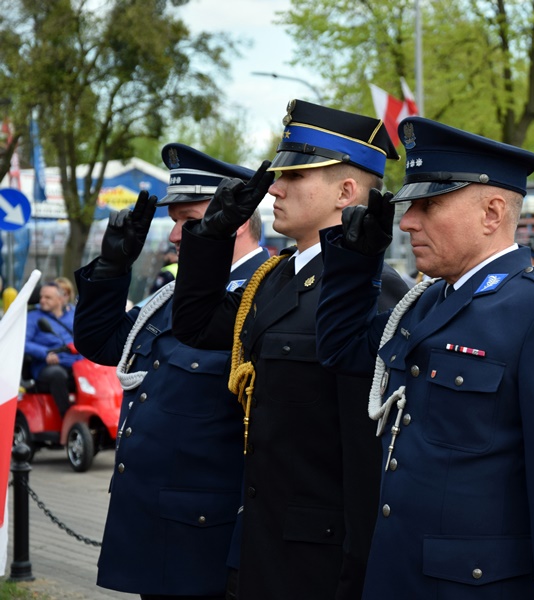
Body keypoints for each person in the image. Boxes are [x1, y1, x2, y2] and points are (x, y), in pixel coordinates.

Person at [171, 100, 409, 600]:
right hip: (259, 538)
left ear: (347, 192)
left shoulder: (376, 291)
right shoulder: (273, 278)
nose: (274, 188)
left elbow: (366, 454)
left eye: (294, 176)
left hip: (319, 558)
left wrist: (356, 572)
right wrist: (211, 235)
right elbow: (194, 325)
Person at [316, 117, 534, 599]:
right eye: (410, 207)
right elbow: (341, 350)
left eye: (429, 206)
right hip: (399, 573)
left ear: (492, 213)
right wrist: (356, 258)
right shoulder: (426, 301)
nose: (407, 222)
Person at [73, 143, 270, 600]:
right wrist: (111, 267)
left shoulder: (264, 291)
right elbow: (103, 343)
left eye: (189, 220)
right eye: (175, 221)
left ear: (236, 218)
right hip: (155, 525)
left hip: (208, 535)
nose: (176, 235)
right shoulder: (173, 295)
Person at [25, 281, 81, 418]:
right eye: (41, 297)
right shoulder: (33, 317)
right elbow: (23, 343)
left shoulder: (72, 316)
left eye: (47, 297)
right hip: (47, 365)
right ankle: (67, 417)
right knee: (57, 374)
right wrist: (45, 353)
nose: (42, 300)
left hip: (76, 363)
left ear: (60, 299)